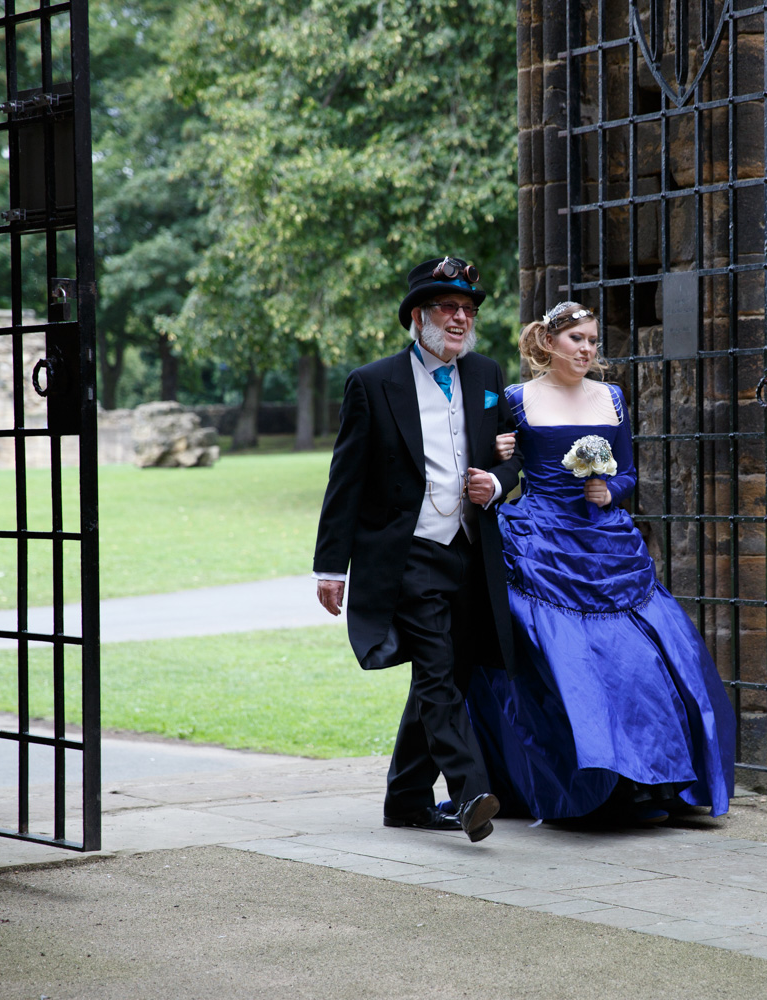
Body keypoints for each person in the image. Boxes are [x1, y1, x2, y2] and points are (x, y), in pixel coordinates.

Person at [465, 301, 735, 823]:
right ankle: (581, 780)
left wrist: (609, 491)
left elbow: (629, 473)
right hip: (542, 545)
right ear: (548, 342)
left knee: (636, 660)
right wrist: (498, 454)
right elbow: (500, 467)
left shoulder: (611, 398)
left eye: (592, 341)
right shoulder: (516, 400)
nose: (587, 349)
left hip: (605, 543)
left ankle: (650, 778)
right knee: (562, 664)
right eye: (577, 340)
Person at [313, 255, 522, 843]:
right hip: (408, 554)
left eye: (467, 309)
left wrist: (498, 482)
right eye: (447, 308)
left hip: (470, 549)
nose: (460, 318)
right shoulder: (372, 383)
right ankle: (470, 790)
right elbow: (344, 481)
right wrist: (330, 567)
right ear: (417, 316)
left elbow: (512, 457)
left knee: (447, 670)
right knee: (436, 668)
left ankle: (406, 799)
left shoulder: (485, 374)